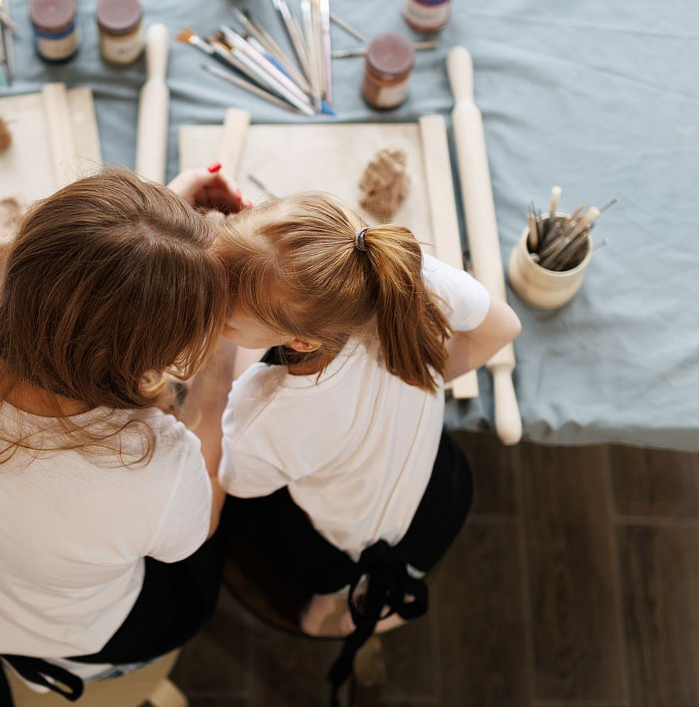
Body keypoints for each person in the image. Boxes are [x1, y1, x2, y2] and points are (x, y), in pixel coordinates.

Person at [0, 167, 242, 707]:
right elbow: (194, 529)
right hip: (74, 641)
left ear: (22, 249)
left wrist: (158, 232)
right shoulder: (152, 465)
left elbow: (74, 296)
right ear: (155, 359)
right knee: (206, 548)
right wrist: (219, 373)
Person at [213, 193, 521, 699]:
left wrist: (224, 368)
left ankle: (344, 605)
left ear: (302, 341)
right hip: (436, 498)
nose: (215, 317)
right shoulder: (404, 275)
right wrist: (422, 371)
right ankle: (376, 598)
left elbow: (236, 482)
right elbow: (504, 327)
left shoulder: (265, 411)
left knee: (249, 518)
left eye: (227, 318)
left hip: (342, 548)